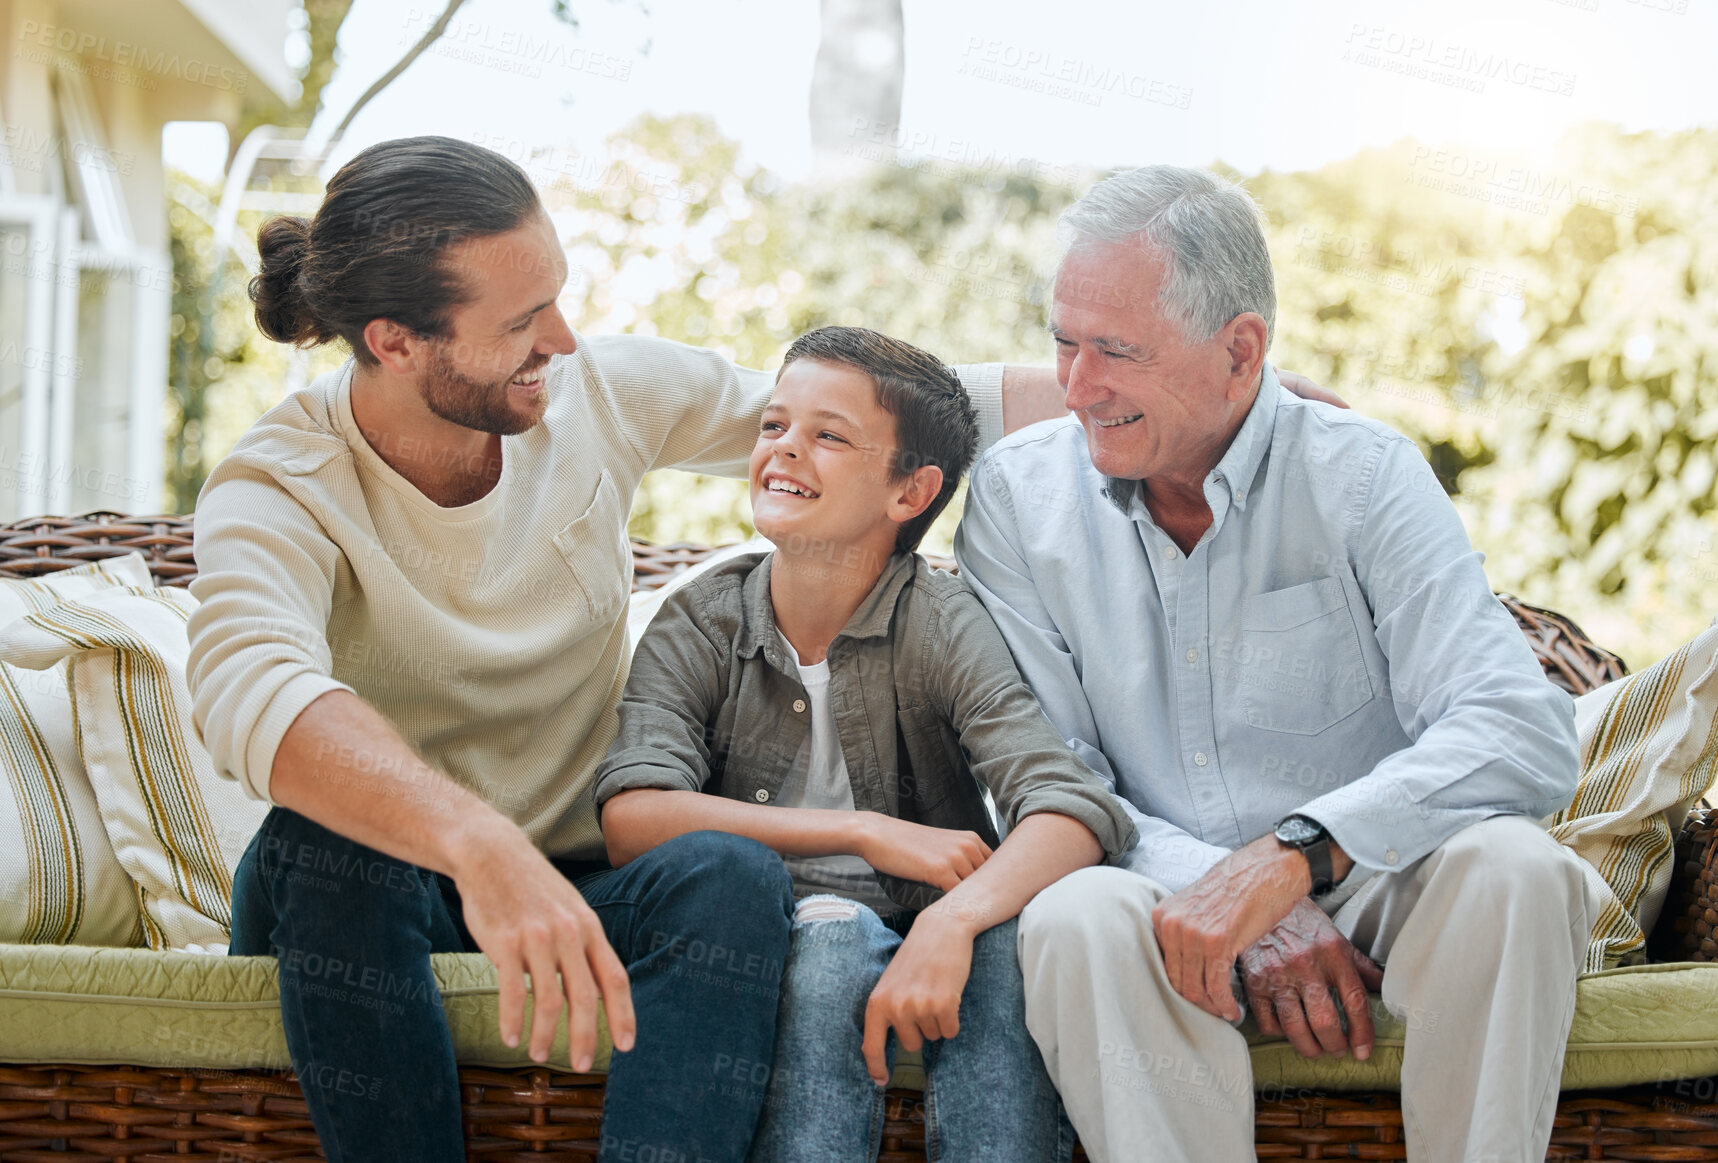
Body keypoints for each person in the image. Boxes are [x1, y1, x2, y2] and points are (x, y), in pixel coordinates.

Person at [187, 137, 1065, 1163]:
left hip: (580, 878)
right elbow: (257, 688)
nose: (562, 339)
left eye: (556, 298)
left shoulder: (591, 393)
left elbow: (886, 411)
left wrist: (1206, 395)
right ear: (394, 341)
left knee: (727, 875)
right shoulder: (278, 483)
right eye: (520, 323)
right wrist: (480, 846)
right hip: (379, 893)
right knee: (326, 844)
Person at [952, 164, 1595, 1163]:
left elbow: (1516, 725)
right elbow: (1042, 777)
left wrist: (1290, 855)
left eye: (1114, 351)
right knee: (1073, 912)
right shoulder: (1014, 498)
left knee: (1516, 869)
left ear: (1239, 351)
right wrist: (1224, 892)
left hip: (1373, 871)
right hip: (1150, 891)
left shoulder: (1364, 473)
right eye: (1062, 344)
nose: (1074, 389)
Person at [594, 325, 1137, 1163]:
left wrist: (954, 919)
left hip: (932, 915)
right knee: (831, 942)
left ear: (909, 491)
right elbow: (633, 817)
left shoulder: (942, 618)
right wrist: (862, 829)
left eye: (829, 435)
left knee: (1000, 950)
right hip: (775, 926)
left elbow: (1069, 807)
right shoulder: (702, 618)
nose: (784, 451)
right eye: (773, 425)